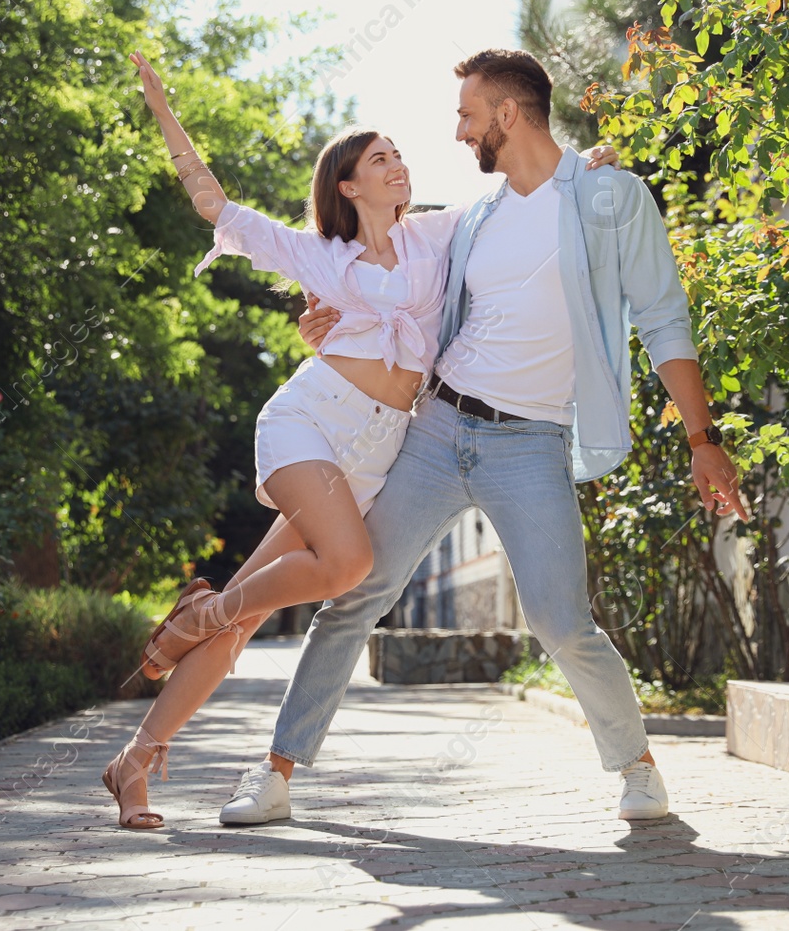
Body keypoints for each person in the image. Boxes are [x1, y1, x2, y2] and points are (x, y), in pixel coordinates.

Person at [217, 48, 748, 827]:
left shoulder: (608, 199)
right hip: (436, 427)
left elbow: (664, 316)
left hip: (529, 443)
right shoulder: (476, 218)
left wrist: (702, 436)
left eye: (468, 115)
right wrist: (327, 319)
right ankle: (275, 771)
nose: (459, 132)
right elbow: (386, 281)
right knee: (355, 593)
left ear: (506, 114)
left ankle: (636, 764)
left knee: (562, 621)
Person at [102, 51, 621, 829]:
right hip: (310, 423)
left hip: (376, 449)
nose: (399, 164)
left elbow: (523, 186)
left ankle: (133, 760)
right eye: (382, 159)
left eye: (401, 155)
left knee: (248, 611)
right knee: (347, 565)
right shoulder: (321, 257)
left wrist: (585, 167)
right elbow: (213, 202)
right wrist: (161, 107)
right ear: (348, 185)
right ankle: (199, 619)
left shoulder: (442, 233)